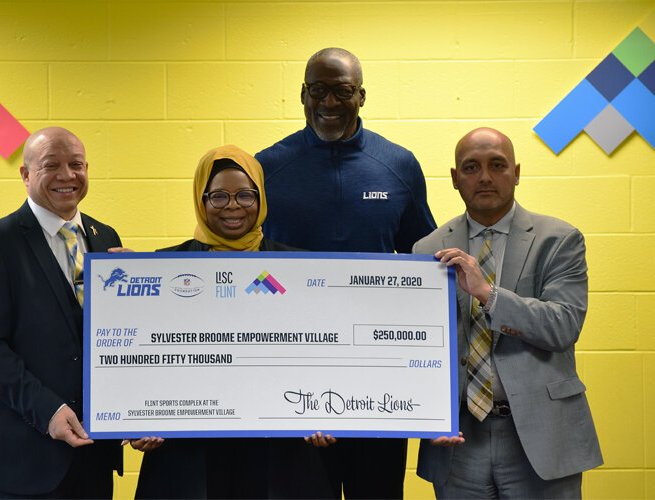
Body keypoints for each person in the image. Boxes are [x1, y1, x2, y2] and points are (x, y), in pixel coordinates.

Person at [256, 47, 437, 499]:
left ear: (362, 95)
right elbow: (238, 260)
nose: (330, 103)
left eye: (343, 91)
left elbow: (424, 265)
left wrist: (430, 382)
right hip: (288, 379)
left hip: (376, 379)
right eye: (319, 91)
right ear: (302, 94)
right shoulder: (267, 167)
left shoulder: (398, 165)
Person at [414, 127, 603, 498]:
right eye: (471, 167)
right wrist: (424, 414)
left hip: (541, 435)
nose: (484, 177)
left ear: (516, 172)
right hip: (459, 441)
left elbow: (563, 325)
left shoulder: (559, 239)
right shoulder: (428, 247)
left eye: (497, 165)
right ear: (455, 179)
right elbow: (416, 345)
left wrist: (487, 293)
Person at [130, 145, 302, 499]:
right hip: (187, 454)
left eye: (244, 195)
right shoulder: (162, 268)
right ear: (201, 199)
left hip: (276, 451)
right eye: (219, 196)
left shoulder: (300, 268)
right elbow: (140, 356)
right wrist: (136, 417)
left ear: (261, 197)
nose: (233, 206)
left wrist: (323, 415)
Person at [0, 127, 123, 498]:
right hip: (27, 459)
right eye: (52, 165)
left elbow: (117, 340)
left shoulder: (107, 238)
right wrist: (48, 411)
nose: (67, 175)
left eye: (76, 165)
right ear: (26, 175)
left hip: (95, 457)